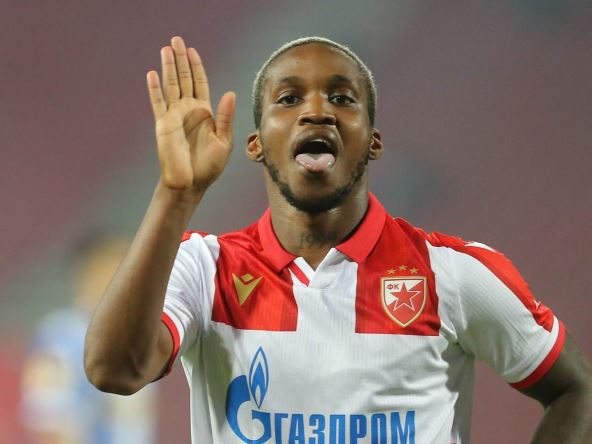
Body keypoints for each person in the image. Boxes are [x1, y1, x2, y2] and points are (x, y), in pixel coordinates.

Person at [84, 36, 592, 443]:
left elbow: (577, 391)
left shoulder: (451, 273)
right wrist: (176, 194)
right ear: (256, 144)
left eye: (343, 98)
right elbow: (114, 371)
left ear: (373, 141)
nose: (317, 111)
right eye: (288, 99)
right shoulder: (206, 268)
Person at [22, 234, 156, 444]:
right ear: (88, 274)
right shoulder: (60, 337)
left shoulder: (137, 336)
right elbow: (48, 422)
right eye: (114, 268)